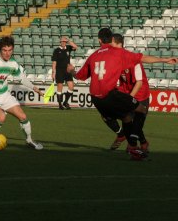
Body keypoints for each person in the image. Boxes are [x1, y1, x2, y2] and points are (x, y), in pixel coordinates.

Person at [66, 28, 177, 160]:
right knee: (140, 110)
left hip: (96, 98)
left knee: (125, 117)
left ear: (99, 40)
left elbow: (80, 76)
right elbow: (144, 58)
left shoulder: (93, 56)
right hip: (111, 94)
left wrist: (72, 71)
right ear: (111, 39)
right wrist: (164, 60)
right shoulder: (118, 53)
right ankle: (134, 145)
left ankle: (128, 141)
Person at [105, 34, 150, 153]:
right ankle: (123, 135)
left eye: (111, 43)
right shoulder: (114, 59)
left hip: (141, 93)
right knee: (107, 112)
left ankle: (137, 144)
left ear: (117, 43)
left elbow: (139, 82)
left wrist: (129, 99)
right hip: (125, 91)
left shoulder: (131, 58)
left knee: (134, 122)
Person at [51, 36, 78, 110]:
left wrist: (68, 40)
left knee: (71, 86)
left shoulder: (68, 48)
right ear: (60, 42)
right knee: (60, 87)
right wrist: (53, 72)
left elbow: (76, 47)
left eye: (64, 42)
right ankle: (60, 105)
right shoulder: (56, 50)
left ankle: (65, 102)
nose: (63, 43)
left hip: (67, 70)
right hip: (59, 71)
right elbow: (54, 62)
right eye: (62, 41)